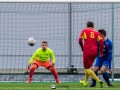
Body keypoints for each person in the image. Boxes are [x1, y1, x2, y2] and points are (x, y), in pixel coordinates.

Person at [78, 21, 104, 87]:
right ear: (93, 26)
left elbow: (80, 40)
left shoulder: (84, 30)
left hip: (87, 51)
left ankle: (99, 81)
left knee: (87, 68)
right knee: (88, 67)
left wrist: (82, 48)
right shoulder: (97, 33)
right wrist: (101, 52)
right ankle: (85, 82)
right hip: (94, 52)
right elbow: (101, 41)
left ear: (87, 26)